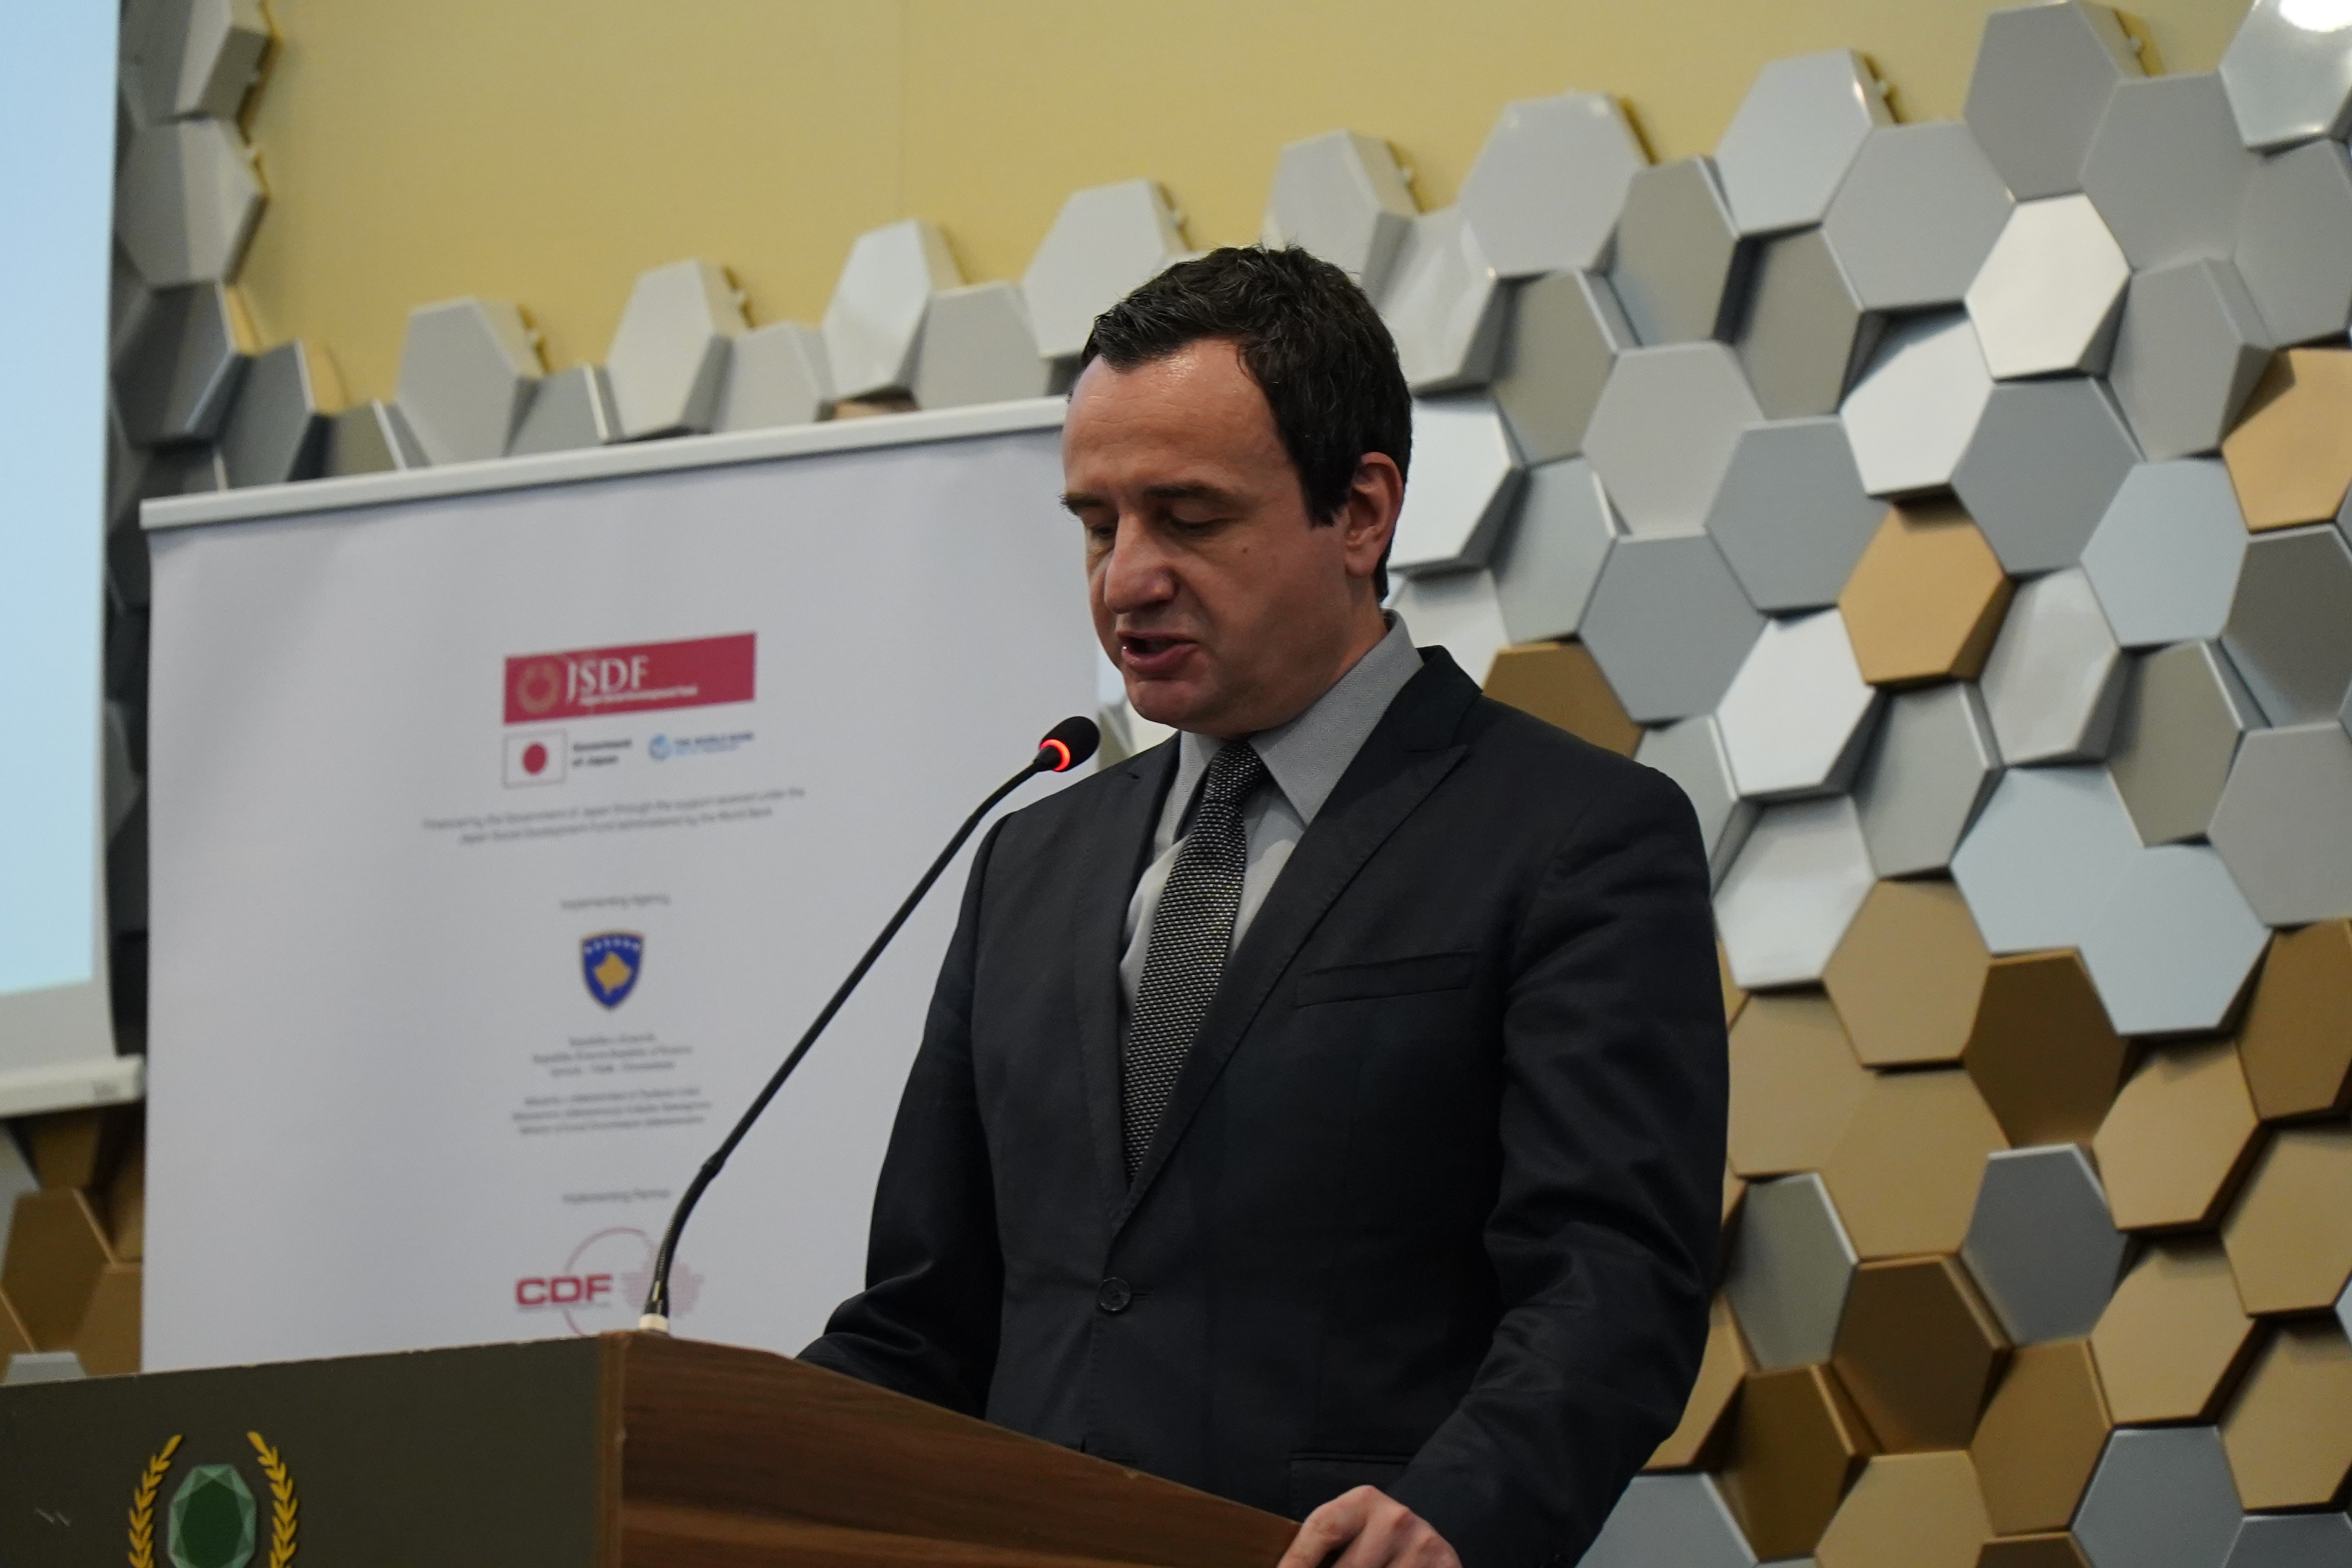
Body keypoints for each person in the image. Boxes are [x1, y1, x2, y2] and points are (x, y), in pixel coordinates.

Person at [802, 246, 1726, 1568]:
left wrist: (1459, 1506)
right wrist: (701, 1444)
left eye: (1187, 517)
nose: (1126, 579)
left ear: (1361, 513)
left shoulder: (1573, 837)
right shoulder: (1029, 863)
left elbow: (1612, 1280)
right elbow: (924, 1318)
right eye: (1097, 524)